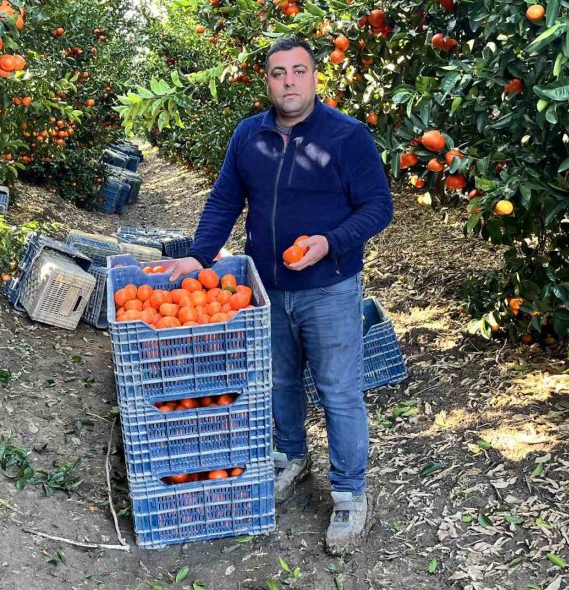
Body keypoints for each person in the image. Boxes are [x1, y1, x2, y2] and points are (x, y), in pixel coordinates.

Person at [168, 36, 393, 555]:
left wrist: (329, 243)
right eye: (278, 73)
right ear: (266, 81)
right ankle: (292, 456)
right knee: (278, 381)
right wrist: (200, 257)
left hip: (329, 288)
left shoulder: (346, 136)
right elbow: (225, 200)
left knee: (338, 391)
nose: (289, 81)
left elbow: (379, 207)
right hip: (266, 289)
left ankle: (350, 493)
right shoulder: (249, 136)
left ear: (315, 77)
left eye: (299, 71)